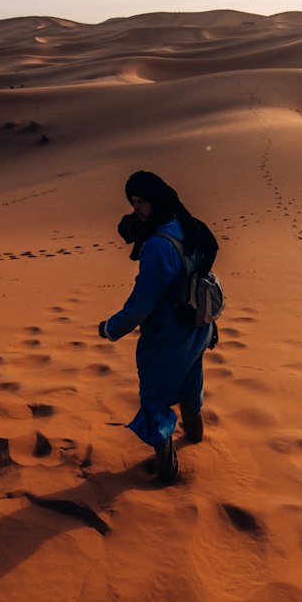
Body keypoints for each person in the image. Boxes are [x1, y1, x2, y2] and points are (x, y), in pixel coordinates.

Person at [98, 171, 218, 485]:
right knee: (191, 385)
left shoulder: (157, 246)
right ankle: (196, 440)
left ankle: (167, 473)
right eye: (133, 202)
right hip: (197, 328)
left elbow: (141, 304)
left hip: (168, 335)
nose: (136, 208)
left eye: (142, 202)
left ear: (157, 200)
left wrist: (111, 328)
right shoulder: (188, 226)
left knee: (154, 397)